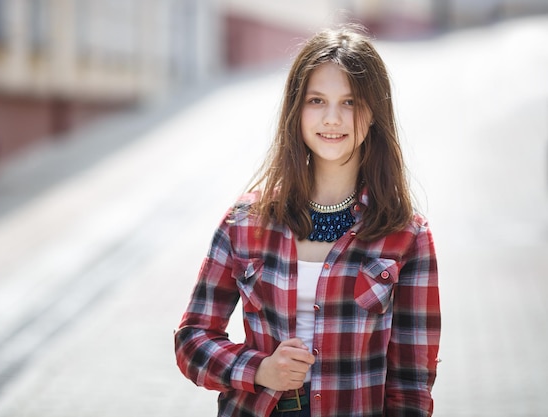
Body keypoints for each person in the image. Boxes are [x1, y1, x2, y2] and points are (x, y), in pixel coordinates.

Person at [174, 24, 440, 417]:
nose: (332, 118)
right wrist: (259, 369)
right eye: (317, 100)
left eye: (350, 102)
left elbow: (411, 385)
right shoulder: (245, 222)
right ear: (296, 110)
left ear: (373, 116)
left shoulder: (406, 236)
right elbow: (192, 340)